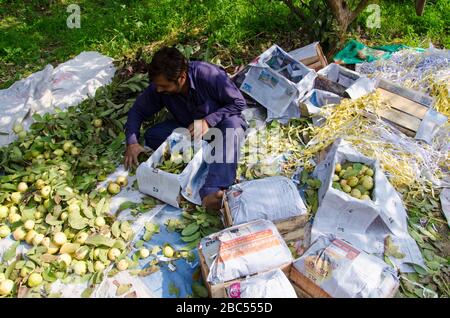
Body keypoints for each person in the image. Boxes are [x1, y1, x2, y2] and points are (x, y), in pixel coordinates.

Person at [124, 47, 247, 210]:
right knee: (152, 135)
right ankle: (207, 154)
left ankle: (213, 190)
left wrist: (208, 121)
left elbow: (238, 103)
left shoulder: (208, 75)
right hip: (189, 130)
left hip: (219, 128)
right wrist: (132, 142)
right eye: (157, 85)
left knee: (234, 127)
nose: (159, 89)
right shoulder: (159, 87)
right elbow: (138, 110)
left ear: (181, 78)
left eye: (164, 86)